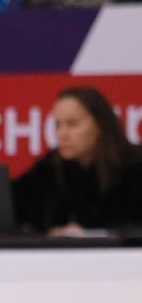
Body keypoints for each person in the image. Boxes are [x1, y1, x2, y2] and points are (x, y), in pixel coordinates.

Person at [12, 86, 142, 234]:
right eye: (57, 125)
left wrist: (89, 232)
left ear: (100, 125)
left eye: (72, 124)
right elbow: (11, 210)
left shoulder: (134, 166)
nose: (62, 133)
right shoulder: (48, 168)